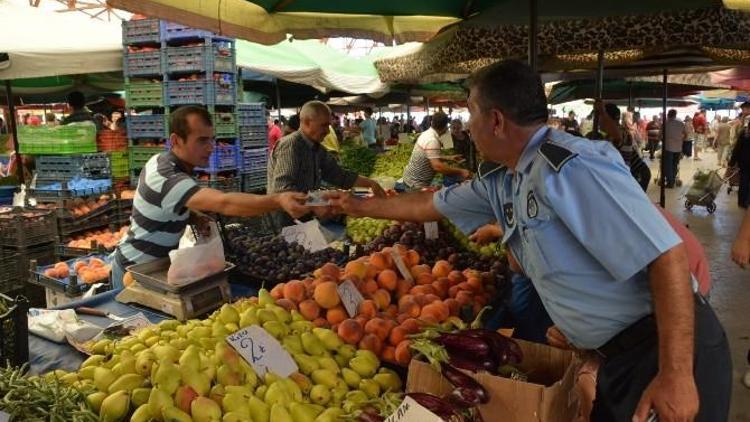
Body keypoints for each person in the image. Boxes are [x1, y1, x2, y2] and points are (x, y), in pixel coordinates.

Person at [325, 60, 731, 422]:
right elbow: (428, 205)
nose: (466, 127)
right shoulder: (507, 178)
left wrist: (676, 375)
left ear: (497, 121)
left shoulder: (570, 169)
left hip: (666, 353)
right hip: (619, 357)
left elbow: (668, 256)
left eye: (471, 114)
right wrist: (355, 207)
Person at [112, 106, 310, 288]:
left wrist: (194, 216)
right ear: (176, 141)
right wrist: (277, 200)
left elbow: (168, 204)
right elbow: (223, 202)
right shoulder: (166, 176)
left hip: (155, 268)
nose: (210, 147)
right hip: (133, 271)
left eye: (210, 139)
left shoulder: (167, 163)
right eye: (201, 140)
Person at [267, 101, 385, 229]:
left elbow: (338, 175)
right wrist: (317, 201)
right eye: (324, 125)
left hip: (304, 216)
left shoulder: (317, 149)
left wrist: (371, 183)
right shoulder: (291, 146)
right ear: (307, 122)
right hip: (286, 220)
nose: (328, 131)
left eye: (329, 125)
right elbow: (283, 191)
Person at [399, 112, 471, 190]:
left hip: (410, 180)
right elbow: (437, 166)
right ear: (446, 127)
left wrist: (449, 158)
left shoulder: (427, 134)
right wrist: (461, 171)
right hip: (415, 185)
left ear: (432, 123)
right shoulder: (432, 140)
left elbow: (429, 155)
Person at [595, 102, 651, 192]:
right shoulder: (609, 136)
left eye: (600, 118)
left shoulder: (622, 132)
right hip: (632, 174)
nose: (598, 122)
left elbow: (618, 136)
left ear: (608, 119)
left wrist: (602, 111)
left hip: (638, 174)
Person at [661, 109, 687, 188]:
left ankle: (670, 182)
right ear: (675, 114)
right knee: (675, 164)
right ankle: (673, 179)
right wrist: (680, 139)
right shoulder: (680, 123)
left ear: (668, 114)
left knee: (668, 165)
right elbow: (685, 134)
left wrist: (664, 139)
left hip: (668, 147)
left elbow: (659, 136)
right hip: (678, 147)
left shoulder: (665, 123)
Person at [729, 120, 750, 209]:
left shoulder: (743, 134)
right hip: (745, 162)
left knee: (744, 181)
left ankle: (742, 202)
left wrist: (732, 162)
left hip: (744, 162)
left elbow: (737, 148)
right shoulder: (743, 133)